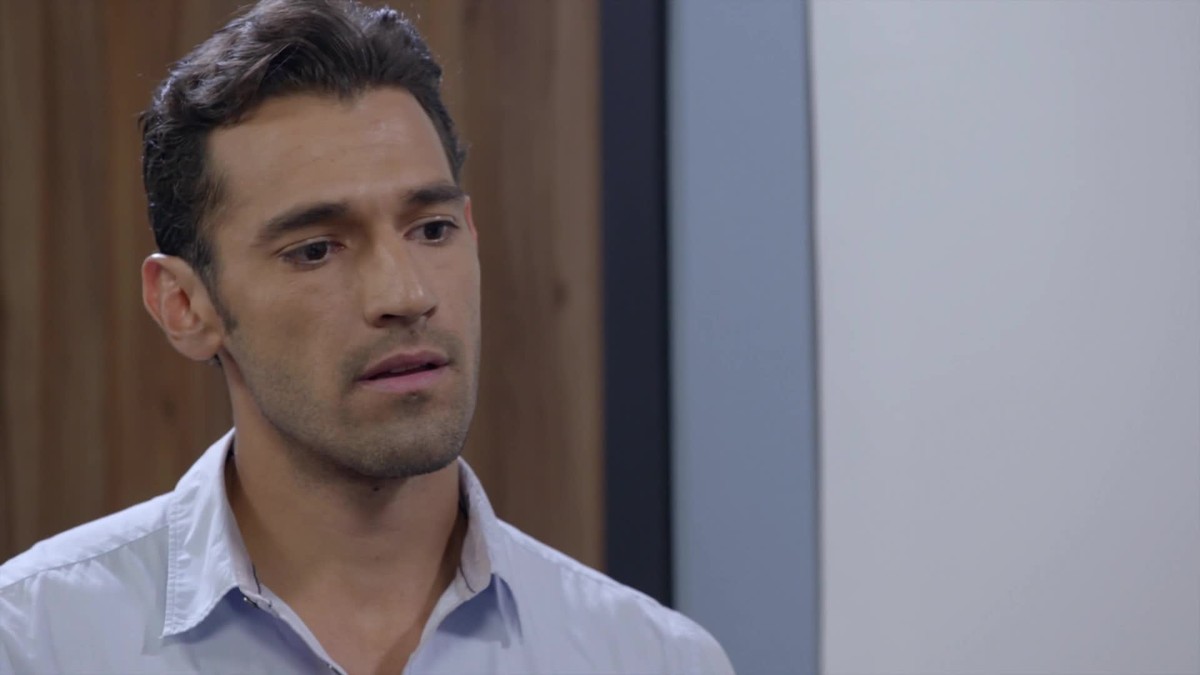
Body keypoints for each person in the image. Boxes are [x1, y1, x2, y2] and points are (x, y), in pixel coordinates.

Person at [0, 1, 733, 673]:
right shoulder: (36, 640)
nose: (406, 295)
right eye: (317, 249)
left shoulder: (649, 658)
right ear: (185, 306)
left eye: (432, 230)